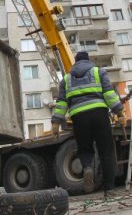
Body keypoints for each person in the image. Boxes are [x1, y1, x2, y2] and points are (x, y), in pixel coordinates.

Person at [51, 51, 123, 199]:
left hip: (79, 117)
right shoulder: (98, 72)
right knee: (106, 152)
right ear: (88, 60)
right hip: (99, 114)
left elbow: (62, 103)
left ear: (75, 63)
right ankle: (109, 190)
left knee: (85, 149)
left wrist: (56, 123)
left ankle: (87, 168)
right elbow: (109, 94)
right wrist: (119, 112)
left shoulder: (66, 79)